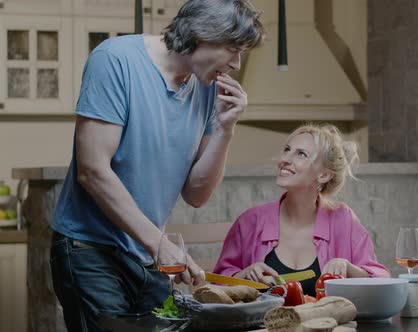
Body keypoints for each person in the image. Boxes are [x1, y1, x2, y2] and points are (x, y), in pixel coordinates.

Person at [49, 0, 264, 330]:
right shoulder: (116, 60)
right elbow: (92, 171)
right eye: (233, 49)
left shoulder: (207, 88)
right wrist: (159, 244)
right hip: (90, 250)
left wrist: (226, 128)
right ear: (201, 34)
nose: (237, 63)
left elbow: (196, 194)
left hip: (145, 254)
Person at [213, 124, 390, 296]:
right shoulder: (250, 221)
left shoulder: (343, 219)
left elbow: (381, 280)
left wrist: (348, 267)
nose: (284, 160)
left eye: (301, 154)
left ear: (324, 175)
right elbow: (216, 283)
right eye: (287, 149)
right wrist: (244, 275)